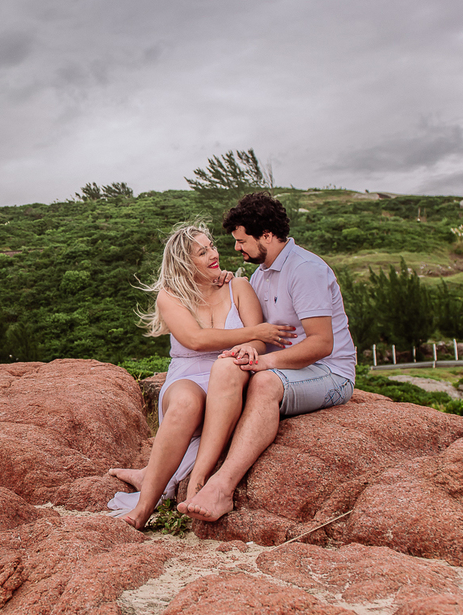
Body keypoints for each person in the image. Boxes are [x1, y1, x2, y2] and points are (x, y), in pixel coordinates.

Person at [178, 192, 356, 523]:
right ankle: (192, 473)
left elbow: (321, 344)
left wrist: (266, 362)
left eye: (241, 240)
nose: (236, 249)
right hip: (288, 370)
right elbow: (258, 330)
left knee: (262, 383)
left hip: (330, 373)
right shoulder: (261, 274)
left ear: (267, 236)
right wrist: (230, 285)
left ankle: (223, 488)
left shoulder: (304, 270)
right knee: (227, 366)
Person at [107, 222, 295, 529]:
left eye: (212, 246)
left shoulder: (239, 287)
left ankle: (190, 482)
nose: (213, 254)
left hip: (230, 374)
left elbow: (260, 342)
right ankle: (143, 509)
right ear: (184, 262)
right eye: (202, 251)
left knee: (227, 373)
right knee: (184, 403)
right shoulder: (170, 297)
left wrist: (251, 342)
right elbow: (194, 339)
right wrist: (254, 331)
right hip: (187, 376)